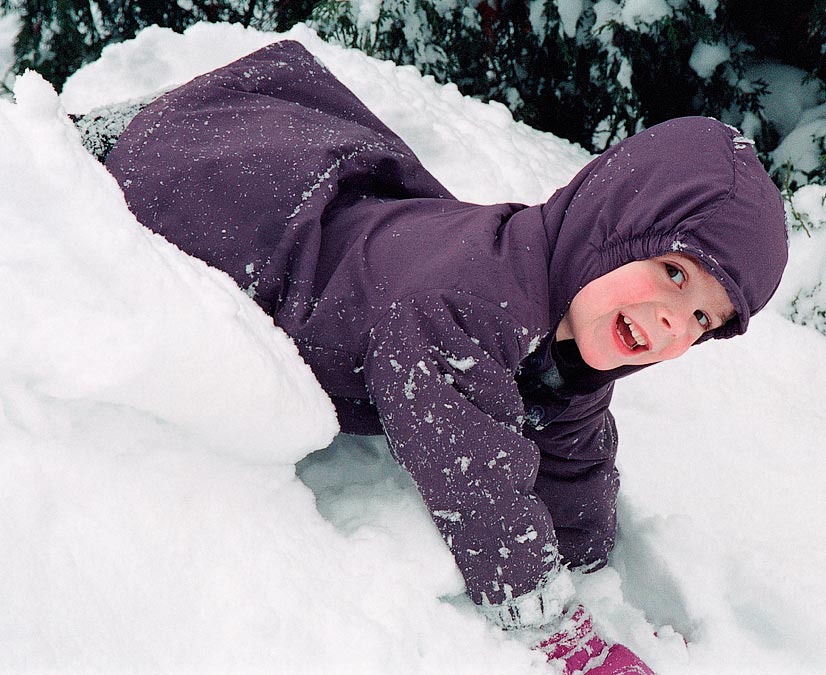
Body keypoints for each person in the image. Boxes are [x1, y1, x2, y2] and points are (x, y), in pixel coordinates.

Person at [91, 40, 788, 673]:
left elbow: (573, 444)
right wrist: (557, 630)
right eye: (673, 271)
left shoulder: (574, 309)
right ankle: (98, 140)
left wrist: (596, 569)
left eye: (704, 317)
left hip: (371, 230)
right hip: (267, 227)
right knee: (163, 171)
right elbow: (474, 476)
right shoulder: (465, 308)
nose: (674, 321)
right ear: (611, 222)